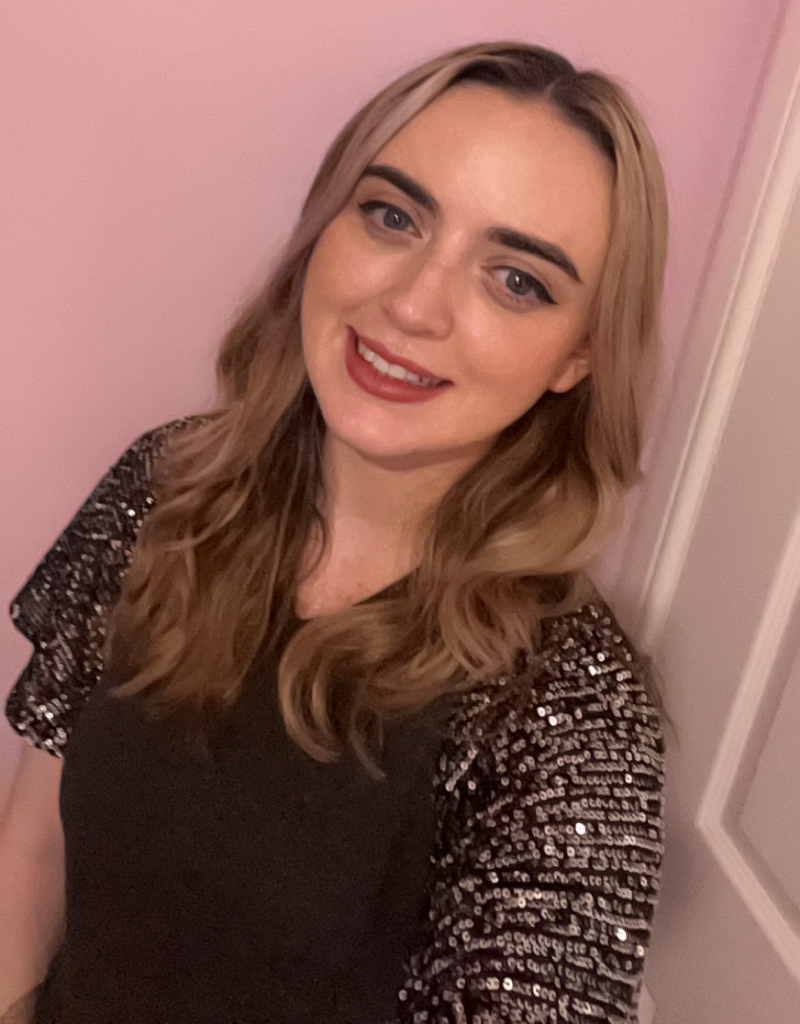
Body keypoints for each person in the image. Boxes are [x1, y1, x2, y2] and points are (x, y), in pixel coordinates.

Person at [0, 41, 667, 1024]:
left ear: (577, 354)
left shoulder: (570, 713)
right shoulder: (166, 485)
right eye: (392, 216)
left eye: (515, 279)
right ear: (326, 224)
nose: (410, 303)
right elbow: (34, 846)